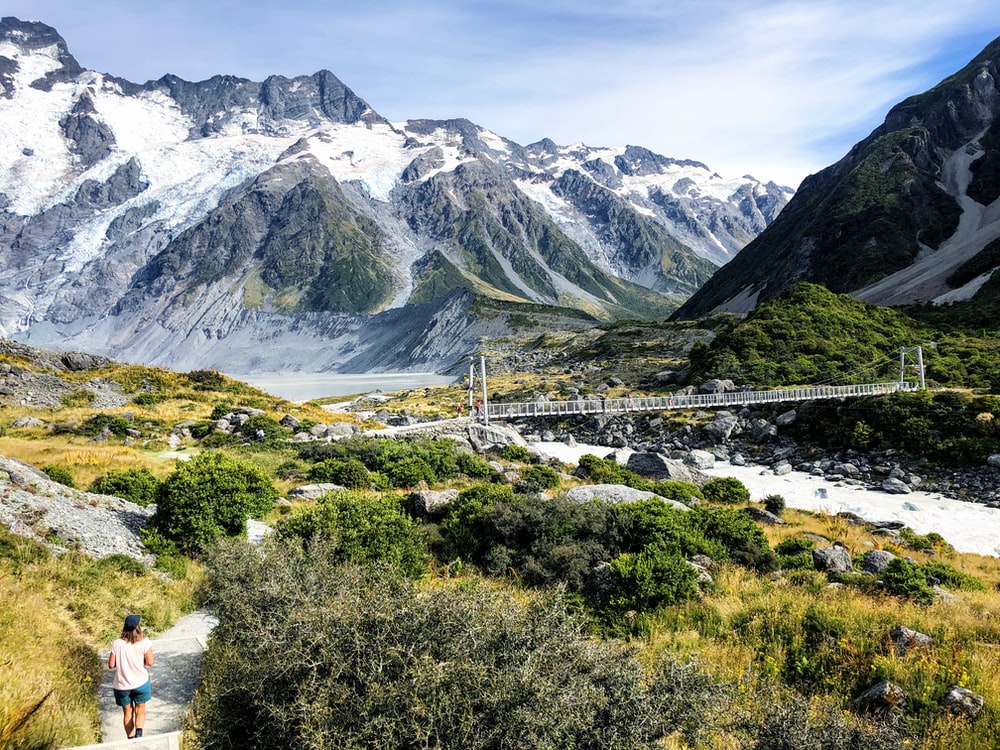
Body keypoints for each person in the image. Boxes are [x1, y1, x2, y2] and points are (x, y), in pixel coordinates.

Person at [108, 614, 154, 739]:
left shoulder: (117, 643)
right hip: (140, 682)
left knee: (128, 712)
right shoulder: (145, 643)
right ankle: (139, 735)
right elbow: (150, 662)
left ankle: (130, 739)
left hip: (122, 685)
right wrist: (139, 663)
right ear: (138, 627)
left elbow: (111, 665)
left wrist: (123, 662)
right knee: (140, 709)